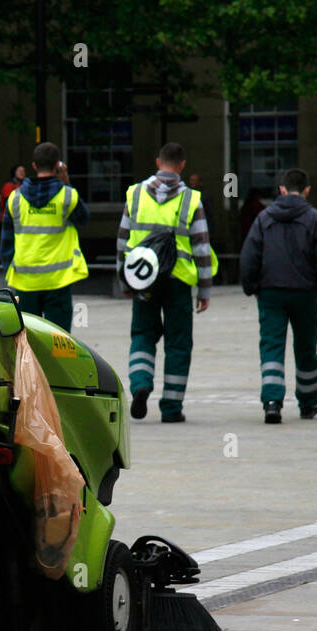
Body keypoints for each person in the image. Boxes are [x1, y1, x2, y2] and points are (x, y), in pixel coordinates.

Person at [118, 142, 212, 422]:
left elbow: (122, 241)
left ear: (158, 162)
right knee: (178, 342)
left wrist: (125, 280)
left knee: (142, 334)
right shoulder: (192, 200)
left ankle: (140, 383)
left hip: (143, 279)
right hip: (178, 280)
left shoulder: (134, 195)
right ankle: (171, 407)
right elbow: (202, 249)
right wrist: (204, 289)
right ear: (182, 165)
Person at [239, 166, 317, 424]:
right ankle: (308, 401)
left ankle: (272, 401)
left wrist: (250, 285)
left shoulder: (263, 218)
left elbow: (250, 255)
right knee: (306, 347)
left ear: (281, 190)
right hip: (304, 293)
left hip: (270, 292)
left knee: (271, 345)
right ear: (307, 190)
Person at [0, 142, 89, 332]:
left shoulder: (15, 199)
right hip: (58, 280)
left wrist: (10, 271)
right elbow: (83, 219)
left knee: (29, 341)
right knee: (59, 341)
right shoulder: (68, 196)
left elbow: (6, 243)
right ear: (58, 165)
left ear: (34, 166)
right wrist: (66, 181)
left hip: (25, 280)